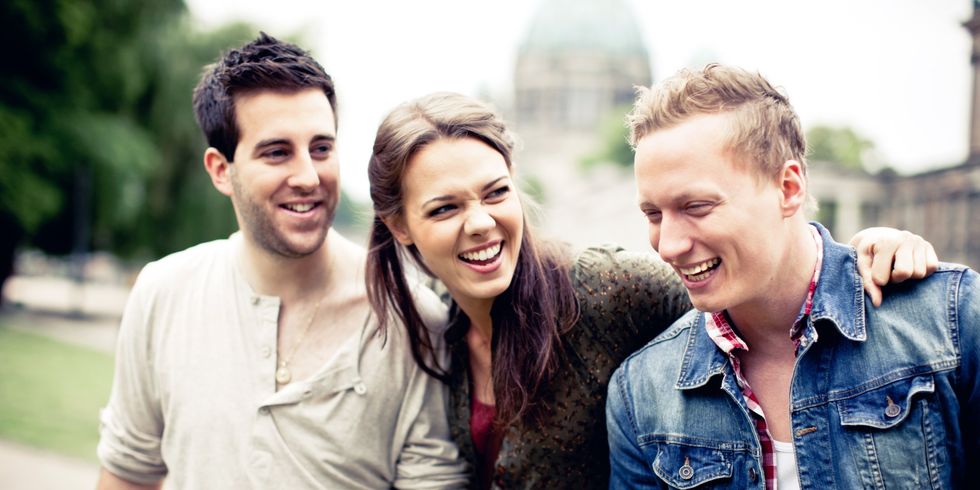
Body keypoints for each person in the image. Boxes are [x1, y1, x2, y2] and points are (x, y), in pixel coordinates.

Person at [365, 91, 938, 489]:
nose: (480, 223)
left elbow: (745, 288)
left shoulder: (604, 290)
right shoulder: (433, 332)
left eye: (495, 193)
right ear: (399, 226)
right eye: (444, 208)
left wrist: (858, 255)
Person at [96, 33, 466, 489]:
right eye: (277, 152)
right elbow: (128, 475)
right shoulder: (163, 294)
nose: (308, 177)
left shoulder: (413, 321)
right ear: (220, 170)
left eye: (321, 148)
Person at [607, 63, 978, 489]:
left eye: (696, 207)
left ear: (788, 188)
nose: (669, 246)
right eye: (653, 214)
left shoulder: (953, 322)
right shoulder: (640, 393)